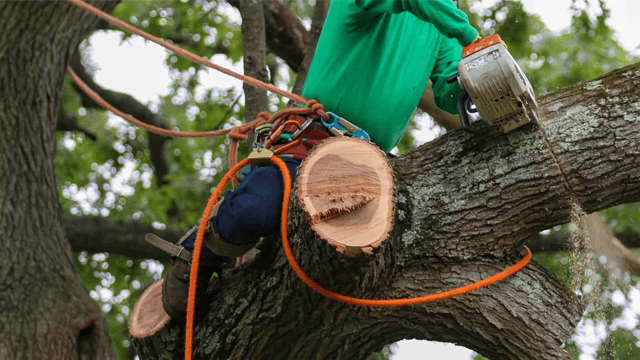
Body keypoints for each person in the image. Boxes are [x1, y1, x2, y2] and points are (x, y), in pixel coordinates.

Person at [148, 0, 478, 319]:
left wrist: (478, 78)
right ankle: (197, 255)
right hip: (311, 140)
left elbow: (450, 90)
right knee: (254, 211)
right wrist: (473, 40)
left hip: (368, 161)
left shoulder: (444, 20)